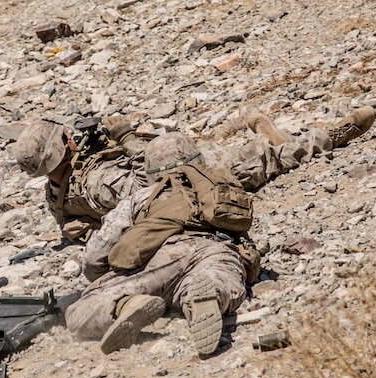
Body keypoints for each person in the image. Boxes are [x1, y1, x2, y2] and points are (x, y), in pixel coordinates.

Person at [13, 107, 375, 244]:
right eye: (65, 138)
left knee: (230, 152)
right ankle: (326, 137)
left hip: (164, 185)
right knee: (251, 163)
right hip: (179, 191)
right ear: (61, 149)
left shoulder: (57, 189)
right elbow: (146, 186)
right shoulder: (96, 183)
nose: (71, 137)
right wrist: (126, 138)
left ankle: (269, 140)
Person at [65, 132, 268, 357]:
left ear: (151, 172)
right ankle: (204, 295)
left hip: (163, 256)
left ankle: (126, 304)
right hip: (217, 249)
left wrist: (111, 279)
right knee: (219, 277)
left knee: (77, 313)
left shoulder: (141, 197)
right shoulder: (219, 186)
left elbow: (94, 258)